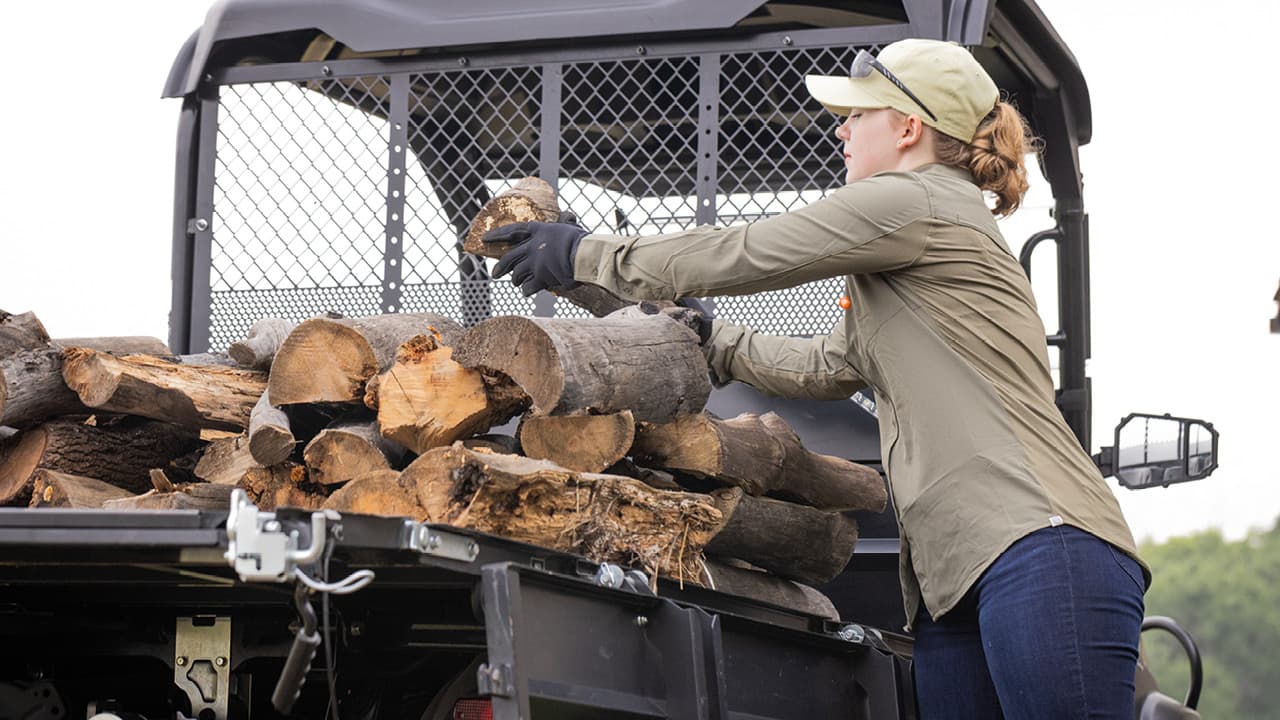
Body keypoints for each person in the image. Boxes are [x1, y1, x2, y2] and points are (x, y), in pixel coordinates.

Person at [484, 38, 1149, 719]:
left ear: (908, 127)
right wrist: (716, 341)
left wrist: (587, 254)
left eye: (857, 115)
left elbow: (746, 251)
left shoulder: (917, 199)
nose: (841, 129)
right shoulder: (913, 229)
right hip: (951, 582)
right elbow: (831, 366)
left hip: (1039, 544)